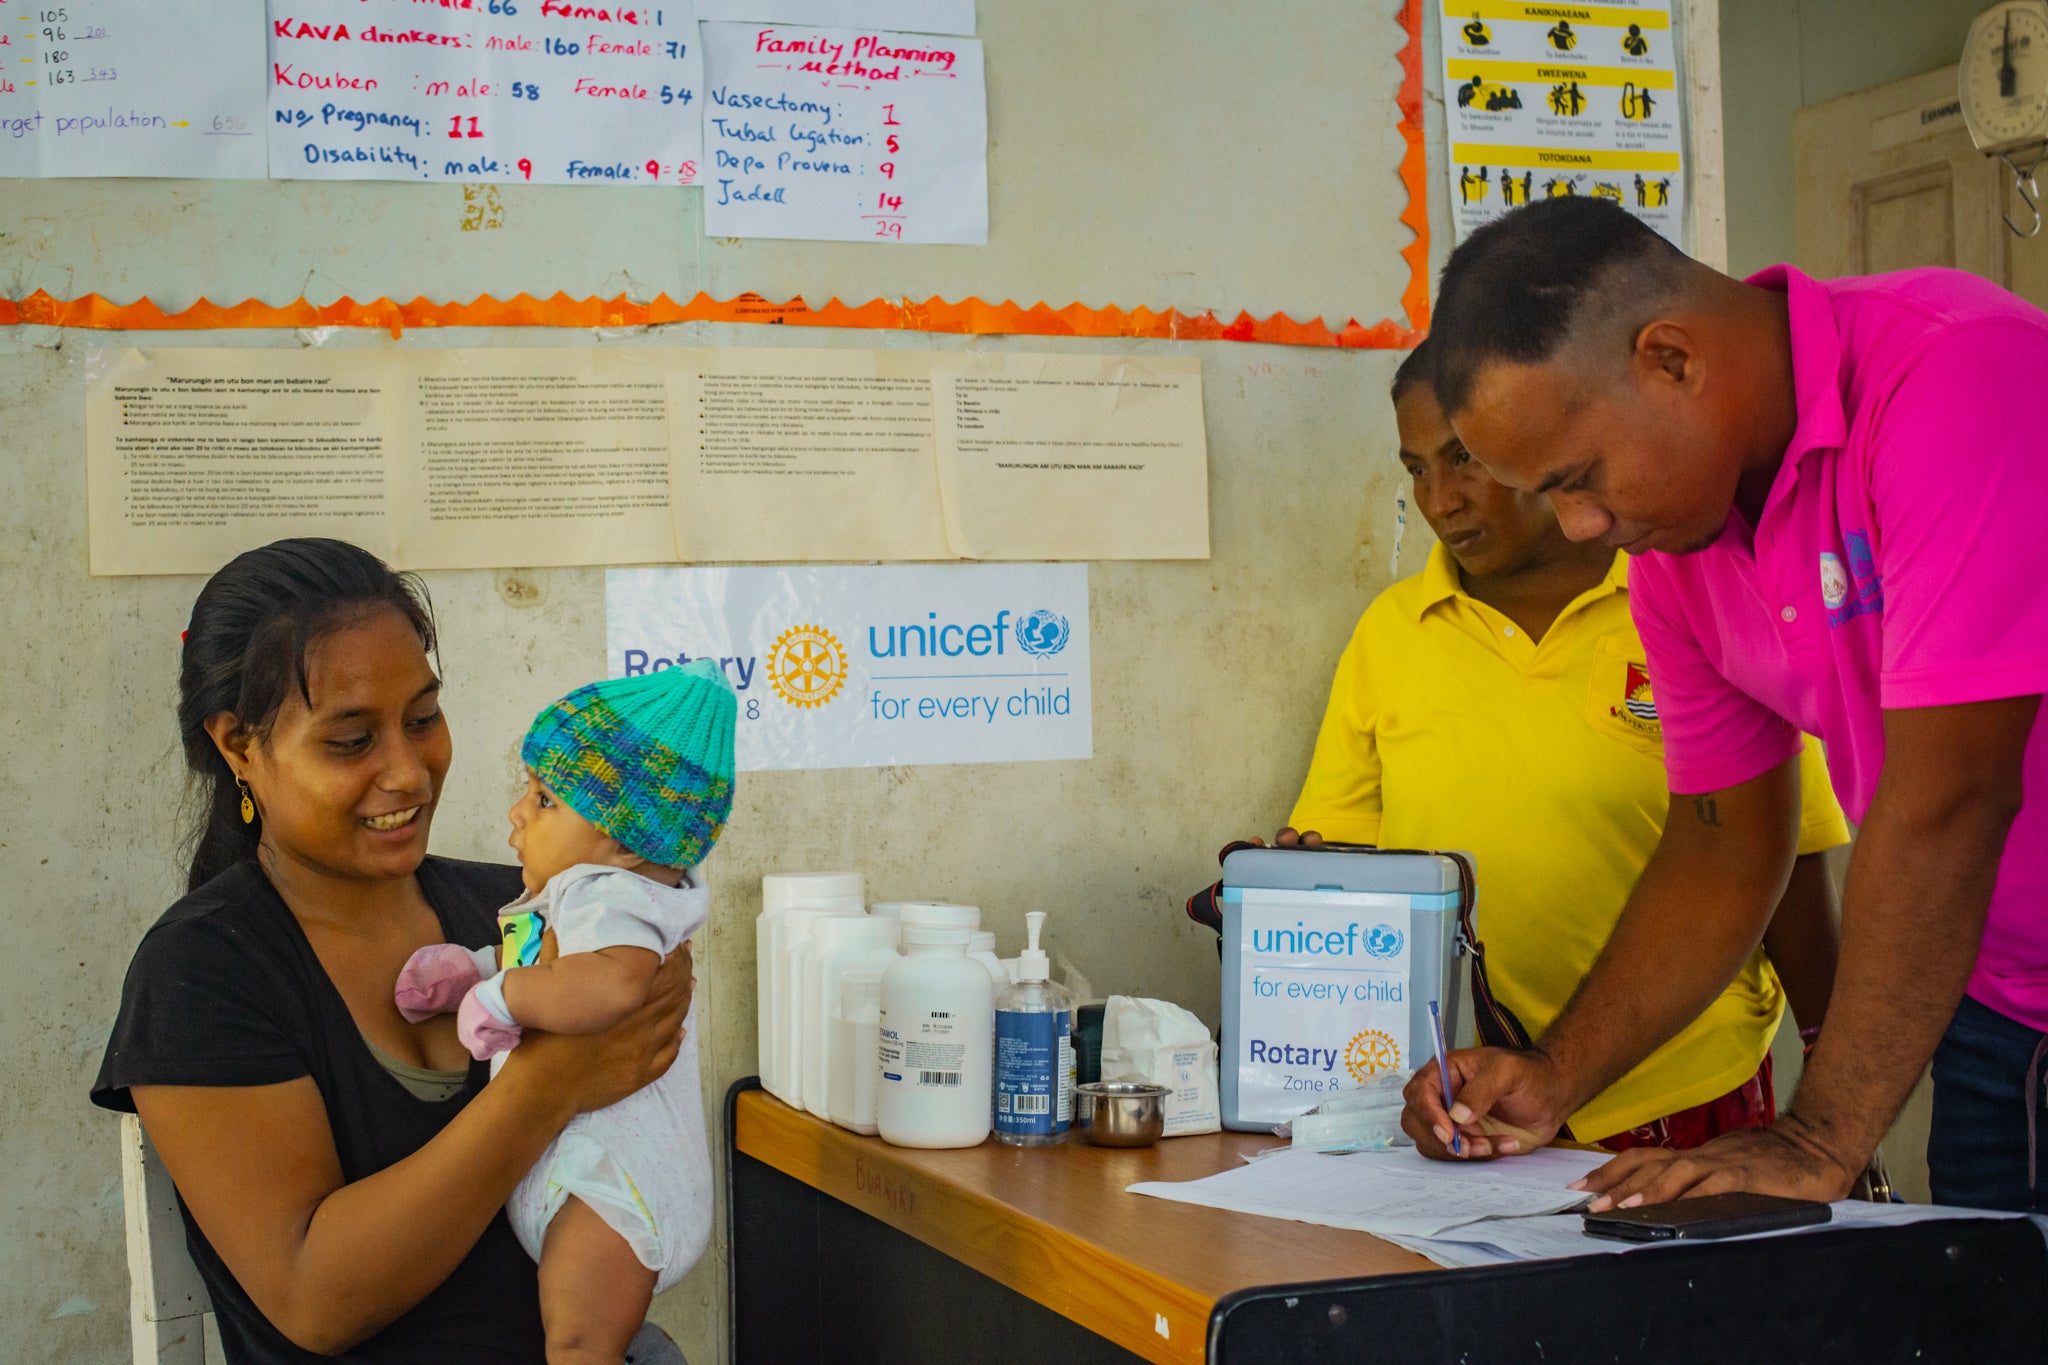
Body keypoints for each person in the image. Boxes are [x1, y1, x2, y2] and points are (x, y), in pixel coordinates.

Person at [1403, 196, 2048, 1214]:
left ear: (1669, 359)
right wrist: (1556, 1076)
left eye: (1578, 478)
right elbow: (1721, 841)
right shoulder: (1676, 545)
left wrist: (1816, 1136)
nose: (1580, 526)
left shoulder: (1959, 374)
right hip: (1999, 1011)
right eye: (1548, 497)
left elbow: (1953, 797)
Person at [92, 539, 692, 1362]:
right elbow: (315, 1298)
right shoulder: (205, 973)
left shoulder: (519, 903)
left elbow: (643, 1069)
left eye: (422, 719)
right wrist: (552, 1083)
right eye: (351, 740)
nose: (409, 771)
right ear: (237, 745)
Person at [1280, 342, 1849, 1152]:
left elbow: (1788, 866)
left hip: (1681, 1091)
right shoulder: (1392, 635)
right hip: (1478, 1107)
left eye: (1466, 461)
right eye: (1416, 470)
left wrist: (1838, 1123)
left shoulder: (1696, 599)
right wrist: (1294, 895)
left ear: (1540, 448)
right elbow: (1344, 872)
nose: (1442, 500)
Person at [396, 662, 735, 1365]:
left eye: (545, 798)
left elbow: (605, 986)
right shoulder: (588, 895)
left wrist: (502, 997)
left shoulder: (611, 897)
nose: (518, 812)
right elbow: (556, 962)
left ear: (626, 841)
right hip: (586, 1174)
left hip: (616, 1186)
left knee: (580, 1342)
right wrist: (475, 969)